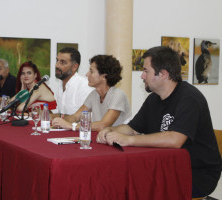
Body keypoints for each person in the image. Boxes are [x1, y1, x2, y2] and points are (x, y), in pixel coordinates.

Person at [96, 46, 222, 198]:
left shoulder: (189, 98)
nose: (142, 76)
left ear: (163, 74)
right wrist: (111, 130)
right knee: (120, 180)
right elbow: (132, 128)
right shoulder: (154, 98)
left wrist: (128, 140)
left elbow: (175, 139)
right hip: (165, 166)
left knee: (133, 186)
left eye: (146, 71)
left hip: (195, 174)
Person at [52, 55, 131, 131]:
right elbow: (76, 117)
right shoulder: (94, 94)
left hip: (120, 142)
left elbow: (103, 125)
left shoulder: (118, 95)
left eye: (91, 71)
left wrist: (71, 126)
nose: (87, 74)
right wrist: (57, 121)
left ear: (104, 76)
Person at [53, 47, 94, 116]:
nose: (57, 65)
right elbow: (59, 111)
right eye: (57, 60)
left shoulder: (85, 86)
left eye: (62, 62)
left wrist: (59, 117)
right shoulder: (60, 84)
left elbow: (87, 117)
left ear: (74, 67)